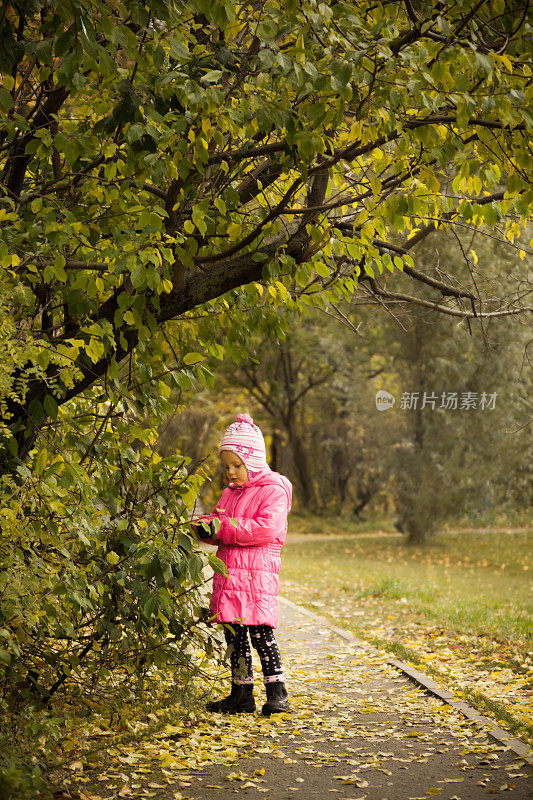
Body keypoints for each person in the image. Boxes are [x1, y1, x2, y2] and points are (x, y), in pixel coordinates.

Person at [195, 413, 292, 715]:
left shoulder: (273, 490)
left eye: (237, 465)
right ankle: (241, 693)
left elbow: (267, 528)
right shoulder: (228, 493)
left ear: (253, 460)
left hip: (256, 577)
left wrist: (223, 527)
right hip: (231, 577)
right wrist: (204, 527)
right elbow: (219, 524)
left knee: (261, 634)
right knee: (234, 635)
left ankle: (278, 693)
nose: (231, 472)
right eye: (227, 467)